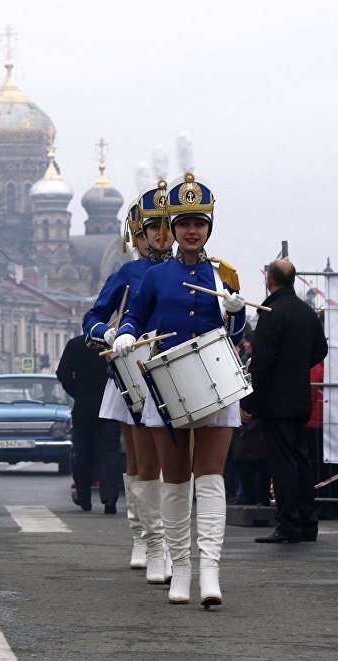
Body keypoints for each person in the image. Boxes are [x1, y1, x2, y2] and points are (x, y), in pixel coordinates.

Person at [113, 171, 246, 607]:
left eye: (199, 223)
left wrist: (235, 309)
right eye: (184, 223)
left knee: (210, 478)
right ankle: (180, 569)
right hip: (166, 386)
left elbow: (236, 330)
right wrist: (125, 336)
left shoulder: (223, 273)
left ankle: (210, 571)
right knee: (175, 480)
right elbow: (134, 316)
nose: (192, 231)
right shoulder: (154, 277)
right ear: (172, 228)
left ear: (209, 227)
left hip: (215, 384)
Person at [83, 182, 175, 581]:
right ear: (135, 237)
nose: (158, 236)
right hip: (133, 373)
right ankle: (144, 535)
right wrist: (108, 332)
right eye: (148, 230)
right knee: (141, 461)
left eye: (164, 227)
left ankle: (170, 539)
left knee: (174, 460)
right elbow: (92, 317)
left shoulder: (188, 267)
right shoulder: (128, 272)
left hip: (175, 371)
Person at [242, 259, 328, 543]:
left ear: (269, 280)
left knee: (282, 464)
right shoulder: (306, 313)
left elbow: (262, 362)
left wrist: (250, 401)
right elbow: (321, 349)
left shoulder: (271, 312)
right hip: (301, 397)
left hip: (276, 402)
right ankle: (307, 522)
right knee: (301, 460)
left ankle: (288, 524)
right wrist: (296, 367)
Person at [56, 334, 122, 514]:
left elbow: (62, 373)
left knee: (83, 451)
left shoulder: (75, 344)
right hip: (111, 406)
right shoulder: (113, 344)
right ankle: (110, 500)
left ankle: (84, 498)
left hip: (84, 405)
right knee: (110, 452)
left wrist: (77, 391)